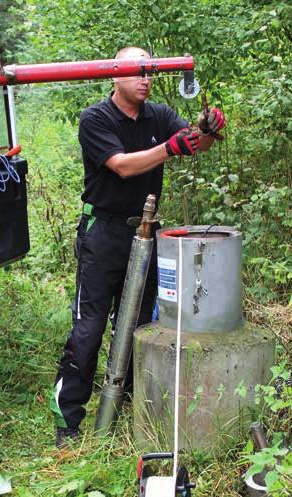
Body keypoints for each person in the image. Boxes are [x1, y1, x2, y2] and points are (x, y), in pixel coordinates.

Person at [50, 46, 225, 447]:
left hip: (146, 233)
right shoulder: (95, 118)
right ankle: (68, 421)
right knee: (89, 329)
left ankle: (123, 402)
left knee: (138, 325)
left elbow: (194, 144)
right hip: (104, 232)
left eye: (149, 72)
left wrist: (209, 129)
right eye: (136, 72)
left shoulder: (159, 115)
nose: (145, 79)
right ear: (115, 75)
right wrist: (171, 148)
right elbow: (123, 166)